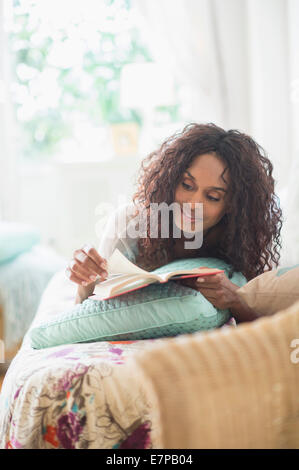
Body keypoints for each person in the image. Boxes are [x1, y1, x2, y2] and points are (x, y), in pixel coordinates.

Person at [66, 123, 283, 323]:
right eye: (187, 185)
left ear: (231, 205)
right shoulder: (129, 223)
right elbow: (83, 313)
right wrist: (85, 281)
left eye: (213, 197)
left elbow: (268, 331)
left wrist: (235, 300)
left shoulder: (241, 240)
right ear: (170, 180)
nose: (194, 203)